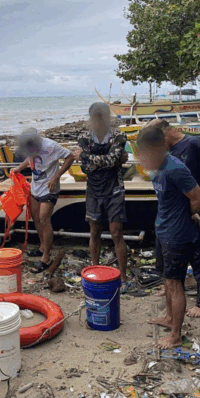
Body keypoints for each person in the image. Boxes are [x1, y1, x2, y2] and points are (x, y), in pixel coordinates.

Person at [136, 127, 200, 349]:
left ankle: (175, 336)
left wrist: (186, 214)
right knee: (167, 280)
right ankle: (169, 318)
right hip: (163, 230)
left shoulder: (175, 168)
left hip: (177, 235)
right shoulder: (156, 167)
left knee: (176, 284)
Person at [148, 119, 200, 317]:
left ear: (165, 133)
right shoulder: (167, 152)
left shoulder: (194, 144)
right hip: (176, 212)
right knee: (171, 254)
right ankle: (172, 286)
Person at [73, 103, 131, 291]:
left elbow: (112, 160)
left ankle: (123, 277)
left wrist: (85, 156)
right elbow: (86, 168)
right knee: (94, 232)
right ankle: (95, 271)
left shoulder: (118, 136)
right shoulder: (83, 137)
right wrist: (106, 161)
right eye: (96, 116)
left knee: (116, 233)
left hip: (115, 189)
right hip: (93, 190)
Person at [10, 128, 75, 275]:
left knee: (44, 218)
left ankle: (46, 257)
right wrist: (19, 168)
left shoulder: (51, 146)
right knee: (36, 217)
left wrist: (57, 176)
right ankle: (42, 247)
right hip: (36, 187)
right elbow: (30, 159)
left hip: (49, 188)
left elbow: (70, 157)